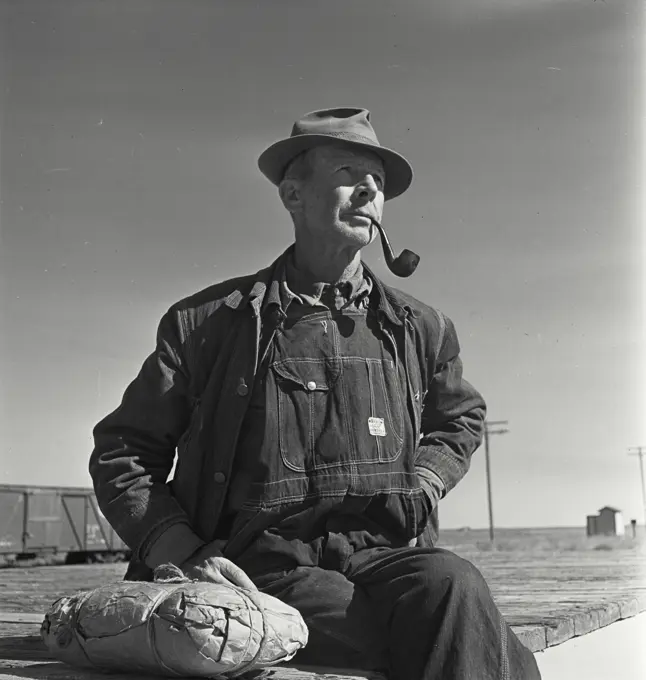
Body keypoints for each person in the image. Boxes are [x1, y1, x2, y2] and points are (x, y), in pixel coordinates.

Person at [90, 107, 541, 679]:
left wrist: (425, 482)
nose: (370, 190)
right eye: (350, 172)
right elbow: (122, 453)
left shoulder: (419, 327)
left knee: (453, 583)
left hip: (383, 554)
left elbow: (461, 418)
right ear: (293, 196)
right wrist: (184, 552)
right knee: (424, 635)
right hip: (263, 565)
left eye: (377, 183)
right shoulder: (206, 324)